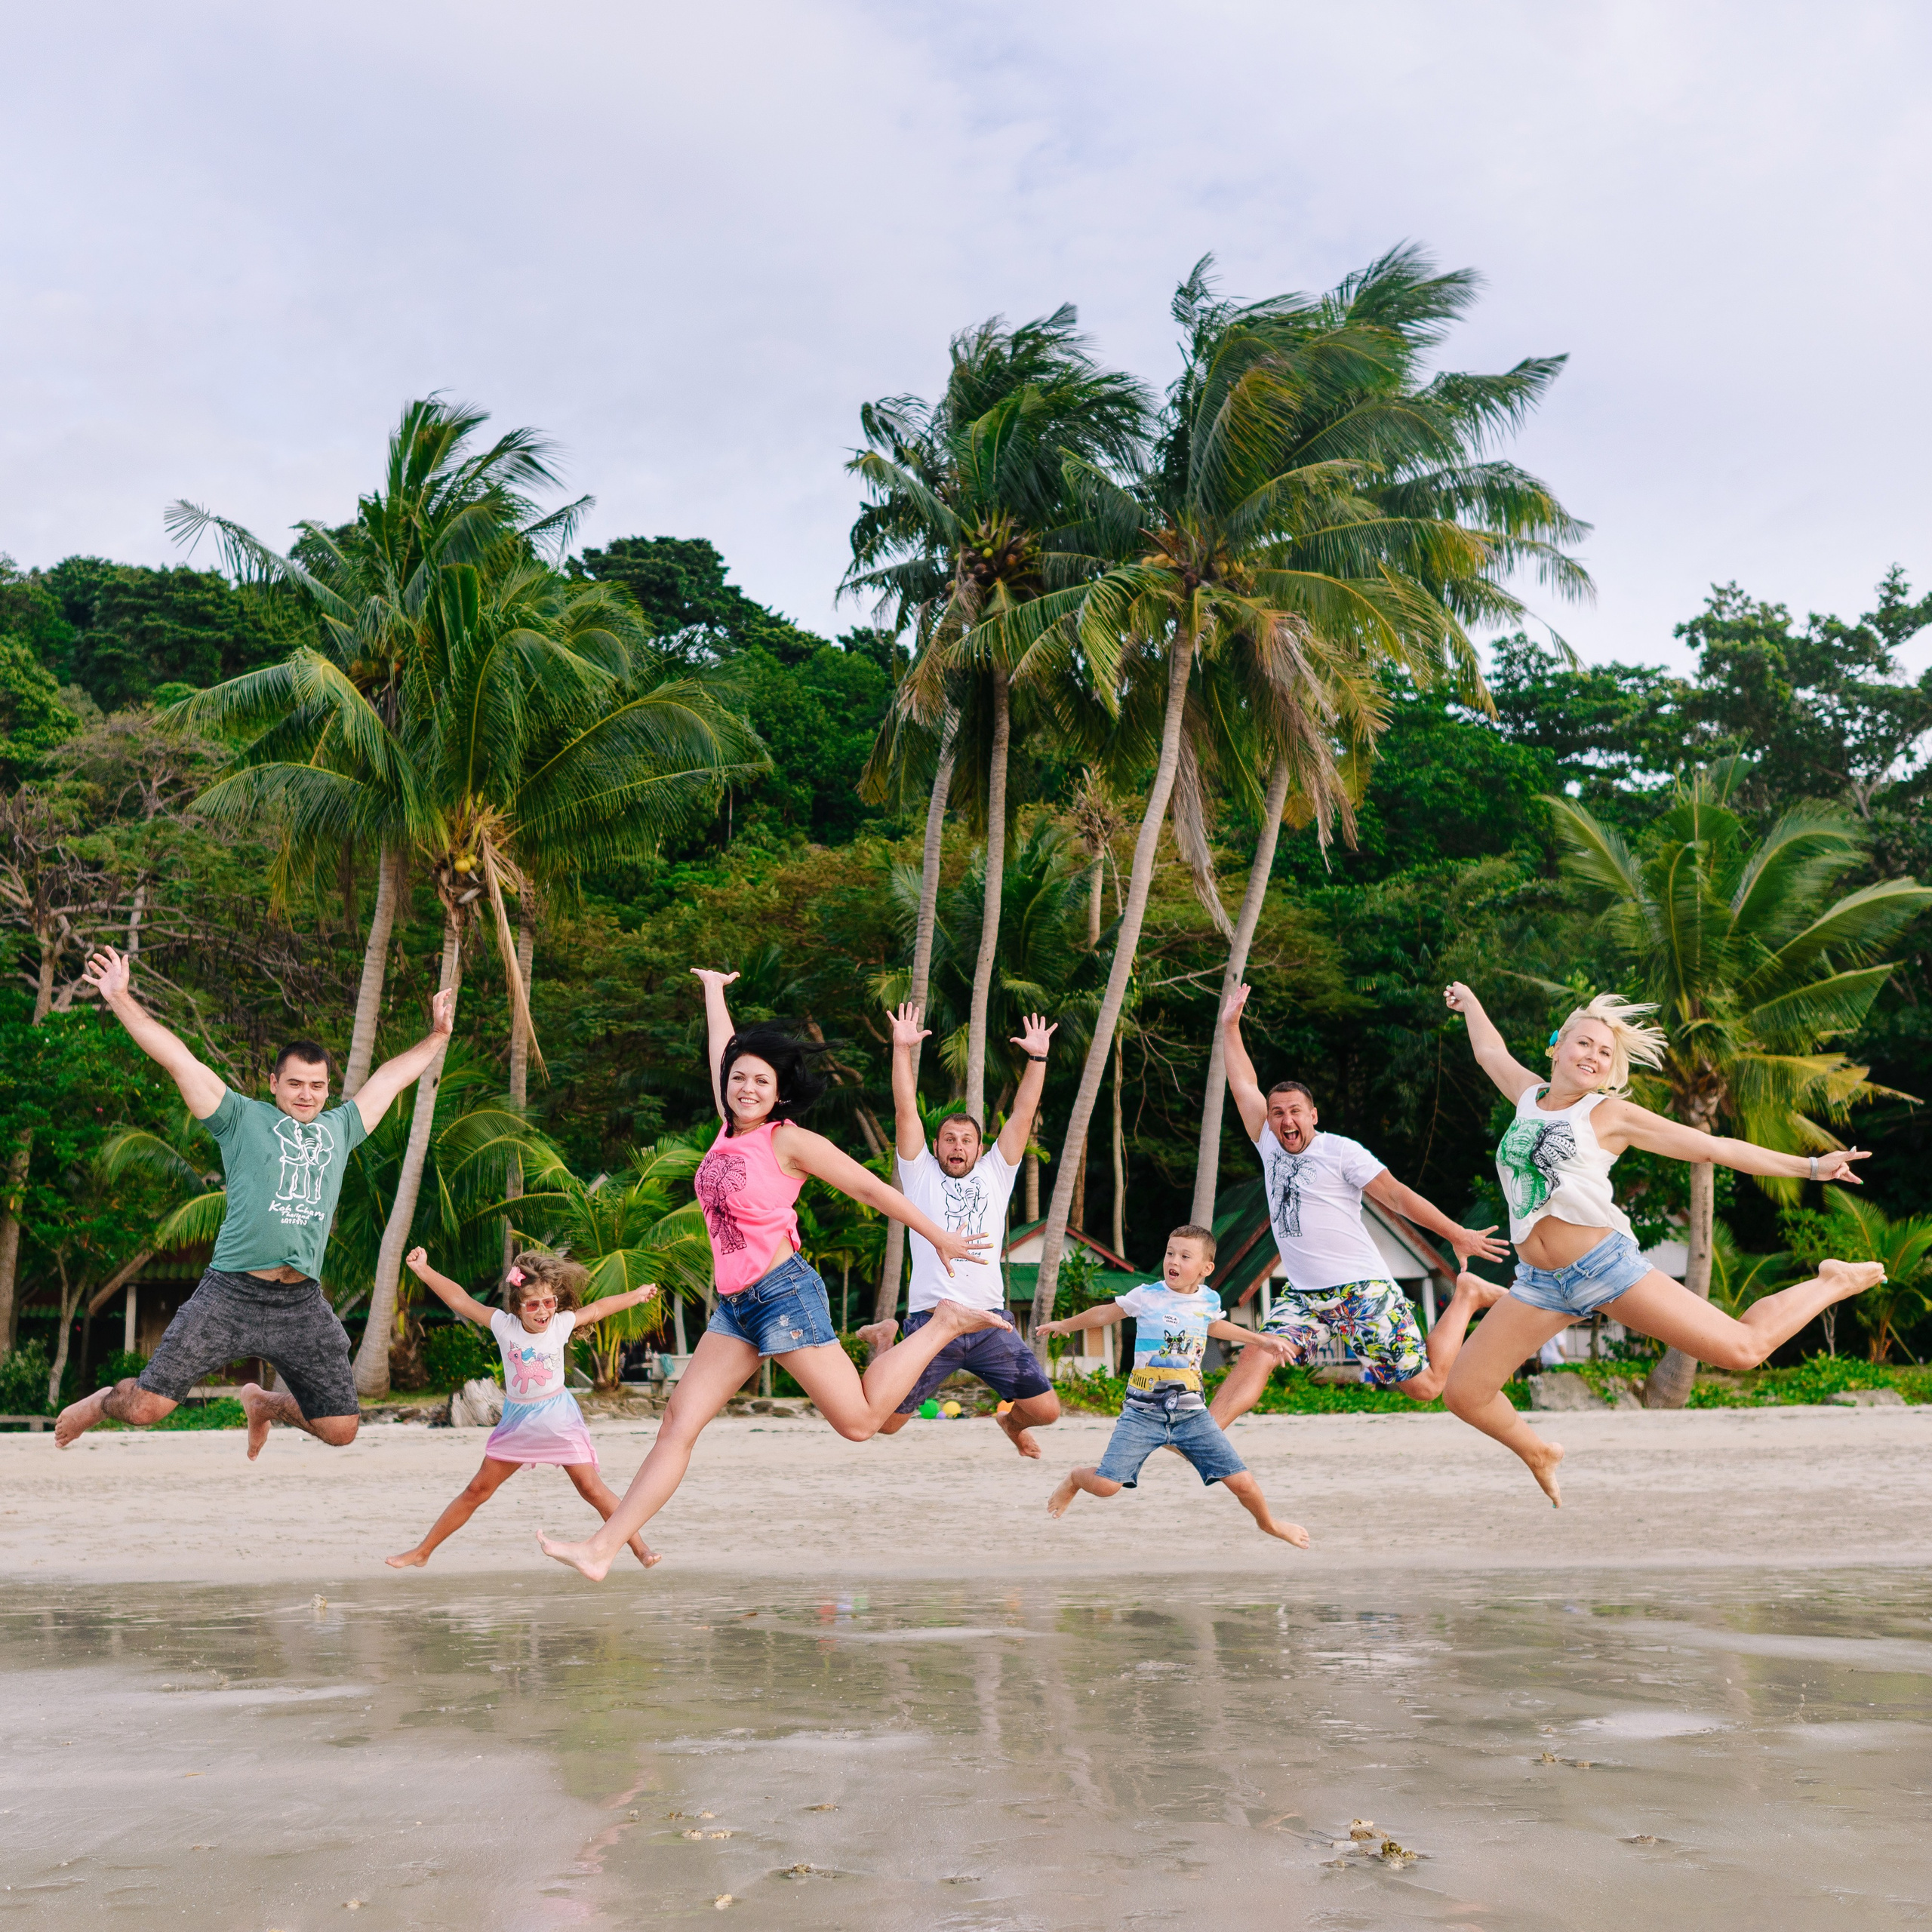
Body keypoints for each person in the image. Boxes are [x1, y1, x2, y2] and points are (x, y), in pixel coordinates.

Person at [537, 968, 1006, 1580]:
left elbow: (867, 1186)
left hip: (785, 1296)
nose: (747, 1087)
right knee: (678, 1422)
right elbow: (721, 1052)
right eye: (739, 1079)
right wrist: (713, 993)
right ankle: (602, 1551)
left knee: (861, 1423)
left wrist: (938, 1234)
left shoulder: (789, 1142)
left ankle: (942, 1324)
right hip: (736, 1307)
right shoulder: (726, 1132)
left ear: (779, 1090)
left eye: (762, 1080)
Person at [1441, 982, 1885, 1505]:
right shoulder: (1528, 1098)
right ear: (1557, 1046)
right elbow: (1490, 1051)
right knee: (1465, 1393)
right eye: (1584, 1044)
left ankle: (1832, 1281)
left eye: (1606, 1053)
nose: (1594, 1056)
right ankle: (1540, 1452)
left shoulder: (1609, 1115)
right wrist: (1471, 1003)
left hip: (1602, 1267)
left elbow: (1713, 1148)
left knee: (1743, 1350)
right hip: (1540, 1283)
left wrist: (1810, 1167)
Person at [55, 944, 457, 1455]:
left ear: (328, 1088)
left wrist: (438, 1035)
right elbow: (178, 1058)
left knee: (341, 1430)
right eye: (295, 1084)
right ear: (274, 1083)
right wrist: (119, 997)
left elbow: (389, 1079)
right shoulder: (241, 1119)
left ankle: (266, 1404)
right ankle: (98, 1404)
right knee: (146, 1409)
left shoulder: (342, 1128)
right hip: (230, 1295)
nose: (306, 1094)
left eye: (316, 1086)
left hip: (301, 1302)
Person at [1206, 983, 1513, 1429]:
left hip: (1362, 1291)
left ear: (1313, 1115)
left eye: (1295, 1111)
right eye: (1277, 1113)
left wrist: (1455, 1233)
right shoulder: (1269, 1144)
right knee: (1260, 1349)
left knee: (1426, 1388)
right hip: (1305, 1295)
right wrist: (1230, 1027)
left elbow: (1396, 1195)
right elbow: (1244, 1084)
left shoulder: (1341, 1152)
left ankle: (1466, 1296)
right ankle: (1205, 1435)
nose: (1286, 1120)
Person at [856, 1001, 1060, 1456]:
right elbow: (905, 1109)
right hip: (932, 1321)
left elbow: (1024, 1114)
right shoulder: (920, 1173)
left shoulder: (996, 1172)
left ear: (980, 1148)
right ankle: (889, 1339)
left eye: (967, 1140)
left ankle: (1009, 1422)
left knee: (1047, 1412)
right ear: (935, 1145)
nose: (958, 1146)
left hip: (988, 1322)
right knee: (885, 1425)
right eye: (949, 1138)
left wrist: (1038, 1058)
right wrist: (901, 1051)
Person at [386, 1247, 663, 1570]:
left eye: (549, 1302)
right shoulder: (505, 1326)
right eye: (533, 1305)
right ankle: (423, 1552)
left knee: (591, 1488)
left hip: (559, 1419)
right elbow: (460, 1300)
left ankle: (639, 1548)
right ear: (518, 1308)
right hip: (518, 1423)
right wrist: (424, 1270)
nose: (543, 1311)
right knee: (477, 1489)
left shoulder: (561, 1324)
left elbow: (600, 1307)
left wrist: (637, 1294)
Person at [1038, 1224, 1309, 1547]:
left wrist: (1260, 1341)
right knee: (1106, 1486)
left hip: (1192, 1416)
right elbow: (1104, 1315)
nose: (1174, 1261)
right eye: (1170, 1253)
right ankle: (1074, 1478)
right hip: (1142, 1414)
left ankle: (1269, 1524)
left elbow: (1216, 1326)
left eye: (1185, 1256)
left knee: (1244, 1483)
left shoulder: (1208, 1299)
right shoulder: (1147, 1295)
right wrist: (1065, 1325)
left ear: (1205, 1268)